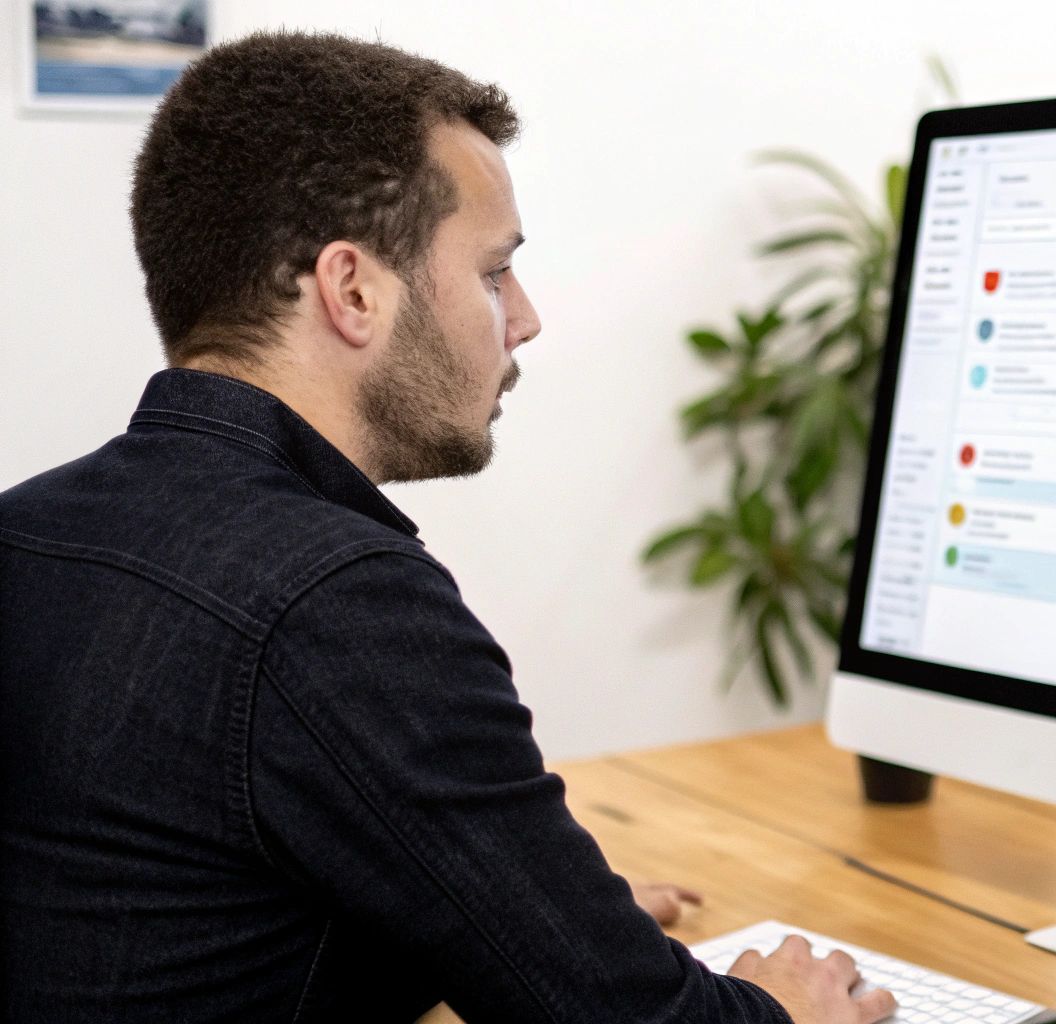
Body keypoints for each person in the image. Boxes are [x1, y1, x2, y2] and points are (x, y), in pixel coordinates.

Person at [0, 30, 894, 1024]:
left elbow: (175, 916)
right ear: (351, 290)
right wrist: (783, 1009)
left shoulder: (26, 530)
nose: (524, 318)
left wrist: (516, 916)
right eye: (493, 271)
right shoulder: (335, 600)